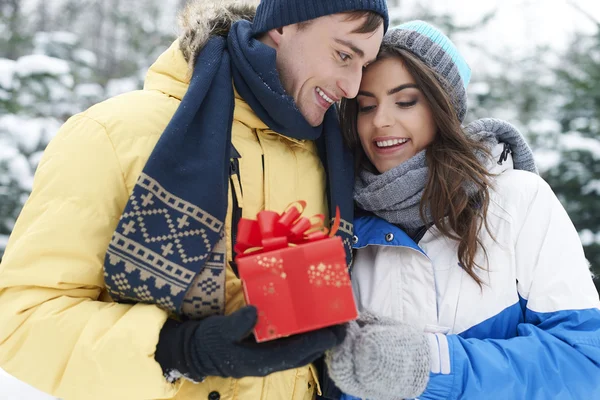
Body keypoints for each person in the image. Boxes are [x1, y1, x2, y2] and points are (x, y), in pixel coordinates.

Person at [0, 1, 388, 399]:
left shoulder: (323, 158)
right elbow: (18, 323)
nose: (353, 87)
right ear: (283, 27)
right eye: (343, 55)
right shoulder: (114, 134)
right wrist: (177, 351)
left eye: (364, 66)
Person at [325, 21, 600, 400]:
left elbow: (585, 362)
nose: (380, 120)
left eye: (405, 101)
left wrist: (435, 363)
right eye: (366, 106)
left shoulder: (517, 201)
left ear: (443, 108)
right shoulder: (345, 223)